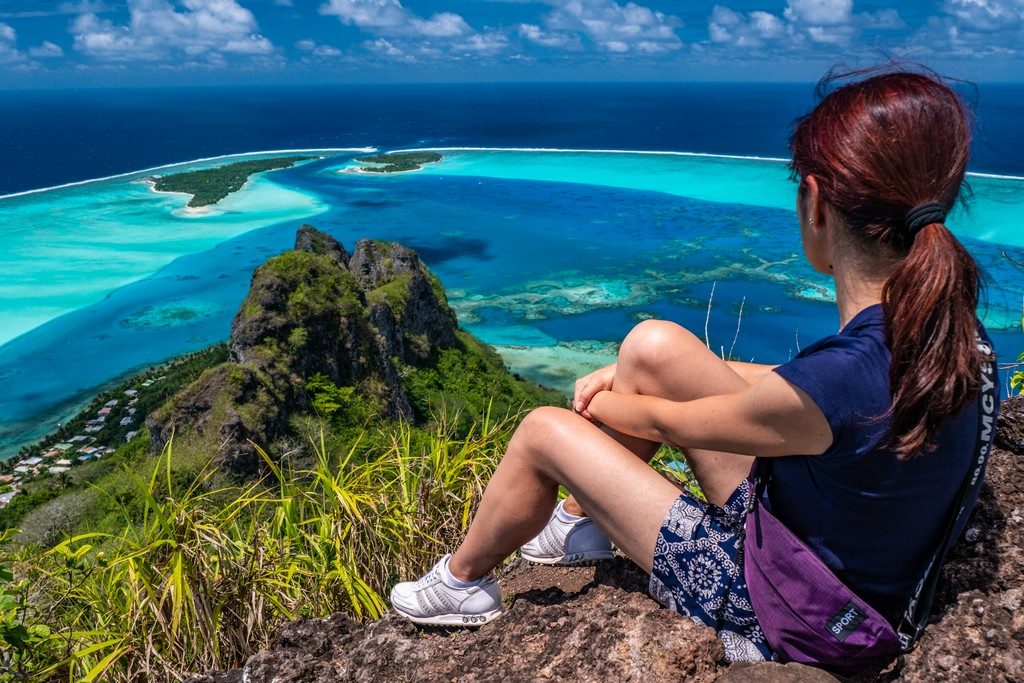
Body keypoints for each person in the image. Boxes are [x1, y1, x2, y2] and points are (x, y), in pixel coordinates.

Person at [389, 68, 997, 663]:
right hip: (824, 547)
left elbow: (674, 424)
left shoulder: (846, 376)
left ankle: (459, 583)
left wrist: (597, 401)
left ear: (815, 203)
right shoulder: (950, 329)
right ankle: (582, 525)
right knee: (654, 346)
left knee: (544, 432)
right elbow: (814, 400)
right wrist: (638, 376)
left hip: (799, 609)